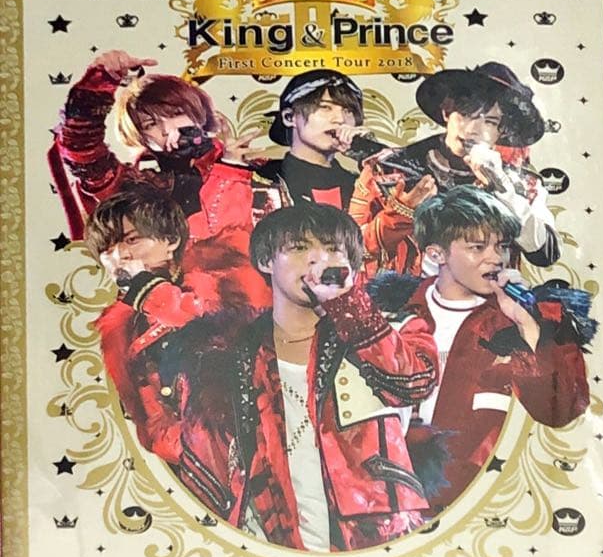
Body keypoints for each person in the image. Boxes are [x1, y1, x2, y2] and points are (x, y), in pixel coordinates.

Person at [181, 204, 439, 551]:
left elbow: (414, 383)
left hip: (373, 543)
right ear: (266, 261)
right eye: (300, 248)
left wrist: (348, 307)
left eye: (333, 249)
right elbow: (204, 472)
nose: (319, 260)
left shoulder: (388, 329)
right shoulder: (228, 356)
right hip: (269, 545)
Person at [368, 185, 594, 510]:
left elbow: (560, 410)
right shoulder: (389, 311)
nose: (495, 258)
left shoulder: (518, 321)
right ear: (436, 254)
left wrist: (528, 325)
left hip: (473, 506)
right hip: (382, 500)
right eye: (477, 247)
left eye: (501, 246)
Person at [84, 185, 269, 465]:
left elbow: (226, 322)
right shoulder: (123, 331)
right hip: (205, 468)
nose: (119, 256)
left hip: (268, 442)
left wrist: (149, 291)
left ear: (170, 241)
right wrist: (191, 446)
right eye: (106, 250)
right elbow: (151, 422)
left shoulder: (222, 272)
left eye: (132, 240)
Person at [348, 62, 560, 276]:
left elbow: (546, 254)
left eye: (489, 122)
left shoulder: (522, 184)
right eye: (466, 114)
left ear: (502, 131)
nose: (472, 130)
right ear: (447, 111)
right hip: (408, 295)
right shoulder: (387, 168)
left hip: (489, 296)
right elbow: (349, 251)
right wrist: (398, 215)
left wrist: (503, 190)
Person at [48, 49, 259, 242]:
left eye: (176, 114)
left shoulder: (252, 167)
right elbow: (81, 148)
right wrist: (101, 80)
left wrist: (233, 166)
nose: (167, 129)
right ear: (141, 137)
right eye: (151, 124)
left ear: (199, 113)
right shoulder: (135, 187)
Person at [260, 70, 371, 209]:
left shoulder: (360, 185)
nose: (340, 119)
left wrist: (373, 158)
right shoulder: (262, 179)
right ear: (289, 117)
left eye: (348, 111)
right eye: (325, 107)